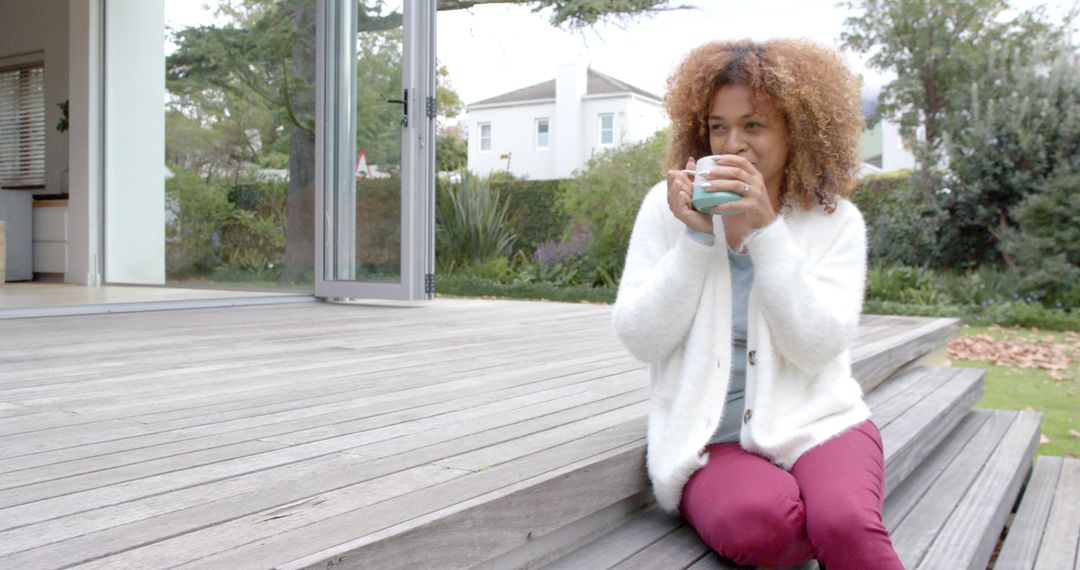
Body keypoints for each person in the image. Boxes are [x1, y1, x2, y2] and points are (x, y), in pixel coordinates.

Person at [611, 39, 904, 569]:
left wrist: (768, 231)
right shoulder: (667, 207)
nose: (732, 143)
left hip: (819, 419)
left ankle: (824, 489)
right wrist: (696, 242)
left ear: (798, 130)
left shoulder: (835, 220)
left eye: (754, 125)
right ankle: (787, 492)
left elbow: (816, 349)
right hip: (712, 437)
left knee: (843, 524)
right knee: (769, 530)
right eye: (718, 126)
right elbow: (639, 337)